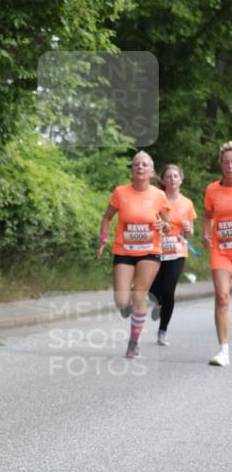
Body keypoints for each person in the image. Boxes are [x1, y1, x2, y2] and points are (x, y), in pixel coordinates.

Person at [96, 151, 170, 359]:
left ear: (152, 171)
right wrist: (103, 238)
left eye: (144, 165)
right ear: (132, 170)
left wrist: (163, 225)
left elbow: (168, 224)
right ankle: (129, 306)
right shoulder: (120, 192)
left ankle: (133, 344)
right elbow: (107, 217)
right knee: (121, 300)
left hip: (150, 251)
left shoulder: (159, 195)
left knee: (139, 295)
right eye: (136, 164)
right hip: (124, 250)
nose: (140, 167)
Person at [150, 164, 197, 345]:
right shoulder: (156, 200)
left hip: (177, 251)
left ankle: (162, 331)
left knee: (169, 291)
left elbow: (190, 232)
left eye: (175, 176)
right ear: (163, 180)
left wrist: (188, 229)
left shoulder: (187, 203)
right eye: (168, 176)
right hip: (156, 249)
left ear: (181, 179)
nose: (172, 179)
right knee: (153, 289)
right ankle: (159, 302)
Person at [204, 141, 232, 367]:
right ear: (220, 165)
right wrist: (206, 233)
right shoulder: (212, 189)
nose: (230, 165)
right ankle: (223, 350)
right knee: (222, 297)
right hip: (221, 250)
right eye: (226, 162)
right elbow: (207, 215)